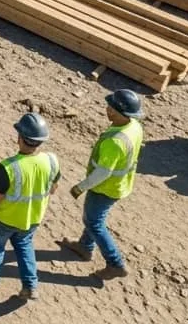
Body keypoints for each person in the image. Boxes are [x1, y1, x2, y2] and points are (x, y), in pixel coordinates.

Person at [0, 112, 60, 302]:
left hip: (4, 220)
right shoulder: (52, 161)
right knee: (25, 247)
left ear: (20, 137)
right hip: (32, 219)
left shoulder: (8, 167)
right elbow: (53, 188)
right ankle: (30, 286)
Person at [59, 89, 145, 280]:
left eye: (111, 108)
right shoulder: (134, 126)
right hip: (119, 184)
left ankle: (116, 264)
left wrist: (81, 187)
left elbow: (103, 173)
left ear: (119, 112)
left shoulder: (115, 142)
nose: (107, 110)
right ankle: (84, 246)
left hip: (105, 188)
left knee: (94, 222)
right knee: (93, 218)